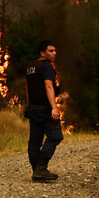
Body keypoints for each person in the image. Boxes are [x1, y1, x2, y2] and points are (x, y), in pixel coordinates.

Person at [24, 40, 63, 182]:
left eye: (55, 51)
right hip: (45, 108)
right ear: (42, 53)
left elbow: (27, 88)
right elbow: (48, 87)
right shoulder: (46, 67)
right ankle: (41, 168)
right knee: (55, 136)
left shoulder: (30, 67)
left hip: (33, 108)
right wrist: (54, 107)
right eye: (50, 51)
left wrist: (29, 105)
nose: (54, 54)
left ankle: (36, 171)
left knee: (35, 140)